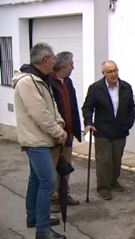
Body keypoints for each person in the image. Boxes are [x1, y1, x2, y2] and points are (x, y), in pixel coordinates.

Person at [12, 42, 67, 239]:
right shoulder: (28, 82)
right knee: (48, 181)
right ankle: (42, 229)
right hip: (36, 140)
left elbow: (51, 106)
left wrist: (59, 123)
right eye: (53, 58)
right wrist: (58, 132)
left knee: (36, 179)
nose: (55, 61)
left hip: (41, 139)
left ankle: (33, 216)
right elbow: (40, 113)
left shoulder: (40, 79)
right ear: (45, 61)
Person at [81, 60, 135, 200]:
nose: (113, 74)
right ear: (103, 73)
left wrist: (129, 123)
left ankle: (113, 181)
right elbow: (87, 107)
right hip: (102, 130)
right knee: (104, 160)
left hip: (120, 130)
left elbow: (131, 106)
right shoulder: (95, 88)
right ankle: (103, 187)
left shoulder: (125, 87)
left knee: (116, 159)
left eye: (115, 70)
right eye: (110, 71)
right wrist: (88, 122)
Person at [49, 51, 81, 213]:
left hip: (68, 133)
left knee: (66, 166)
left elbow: (73, 107)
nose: (73, 67)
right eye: (71, 64)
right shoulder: (49, 83)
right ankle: (54, 198)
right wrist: (56, 131)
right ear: (62, 66)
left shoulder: (68, 82)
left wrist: (76, 129)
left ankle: (64, 194)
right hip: (55, 135)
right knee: (54, 167)